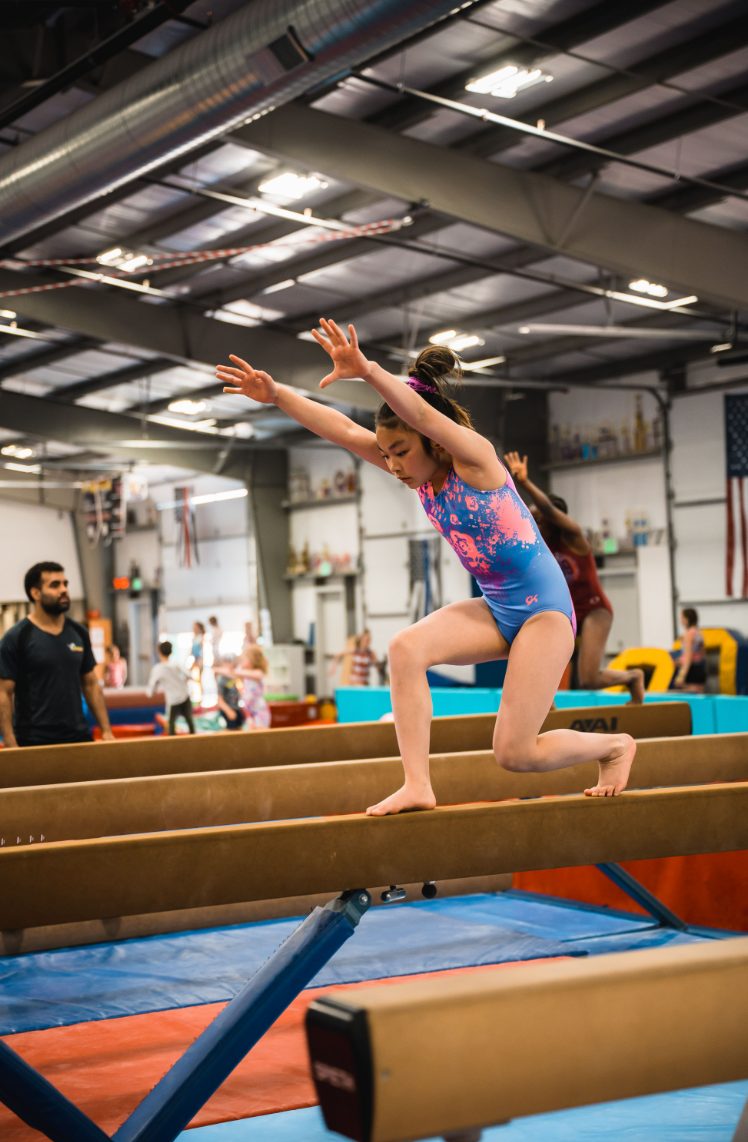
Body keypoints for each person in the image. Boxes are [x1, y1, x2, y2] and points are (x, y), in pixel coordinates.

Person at [216, 319, 636, 815]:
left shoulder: (475, 461)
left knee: (514, 753)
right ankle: (418, 784)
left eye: (400, 451)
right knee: (405, 649)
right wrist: (278, 394)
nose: (391, 464)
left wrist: (367, 370)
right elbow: (347, 432)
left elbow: (418, 412)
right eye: (387, 452)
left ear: (432, 440)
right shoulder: (419, 477)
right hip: (498, 608)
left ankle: (614, 747)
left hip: (545, 614)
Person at [503, 452, 645, 704]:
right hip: (563, 612)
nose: (532, 522)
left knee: (589, 680)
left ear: (553, 521)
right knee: (538, 663)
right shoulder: (540, 546)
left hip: (593, 610)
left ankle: (632, 677)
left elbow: (546, 507)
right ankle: (548, 707)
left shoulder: (575, 538)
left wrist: (524, 483)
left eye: (537, 519)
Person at [0, 562, 114, 748]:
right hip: (34, 740)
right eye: (55, 585)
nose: (64, 590)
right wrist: (9, 741)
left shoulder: (79, 632)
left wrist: (106, 731)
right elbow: (3, 693)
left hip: (78, 736)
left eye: (65, 584)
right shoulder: (16, 637)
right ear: (35, 593)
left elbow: (91, 684)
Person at [147, 641, 195, 735]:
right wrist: (184, 680)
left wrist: (152, 692)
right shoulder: (175, 664)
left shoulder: (157, 669)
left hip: (172, 699)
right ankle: (195, 739)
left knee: (171, 723)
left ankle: (173, 742)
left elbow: (151, 687)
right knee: (189, 720)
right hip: (184, 695)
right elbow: (189, 675)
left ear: (159, 653)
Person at [236, 645, 271, 728]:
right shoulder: (245, 675)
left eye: (243, 660)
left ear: (252, 660)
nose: (241, 664)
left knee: (260, 738)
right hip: (249, 713)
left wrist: (233, 671)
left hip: (260, 712)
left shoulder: (258, 673)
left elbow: (236, 673)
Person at [674, 608, 706, 692]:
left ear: (686, 619)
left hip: (691, 671)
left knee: (692, 701)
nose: (681, 621)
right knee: (700, 698)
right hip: (699, 668)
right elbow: (702, 655)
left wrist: (681, 676)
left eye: (681, 618)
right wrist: (680, 660)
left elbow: (689, 657)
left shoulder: (688, 634)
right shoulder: (699, 633)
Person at [213, 653, 246, 730]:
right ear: (223, 663)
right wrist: (228, 711)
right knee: (231, 730)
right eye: (228, 662)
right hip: (228, 708)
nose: (231, 665)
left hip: (236, 707)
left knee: (240, 728)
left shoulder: (234, 675)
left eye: (233, 663)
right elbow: (219, 699)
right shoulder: (221, 678)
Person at [189, 621, 205, 696]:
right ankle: (190, 693)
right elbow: (192, 650)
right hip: (195, 659)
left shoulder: (201, 637)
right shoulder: (194, 637)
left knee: (200, 679)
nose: (194, 629)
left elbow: (202, 649)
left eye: (195, 628)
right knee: (188, 674)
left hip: (200, 658)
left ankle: (201, 696)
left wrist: (201, 660)